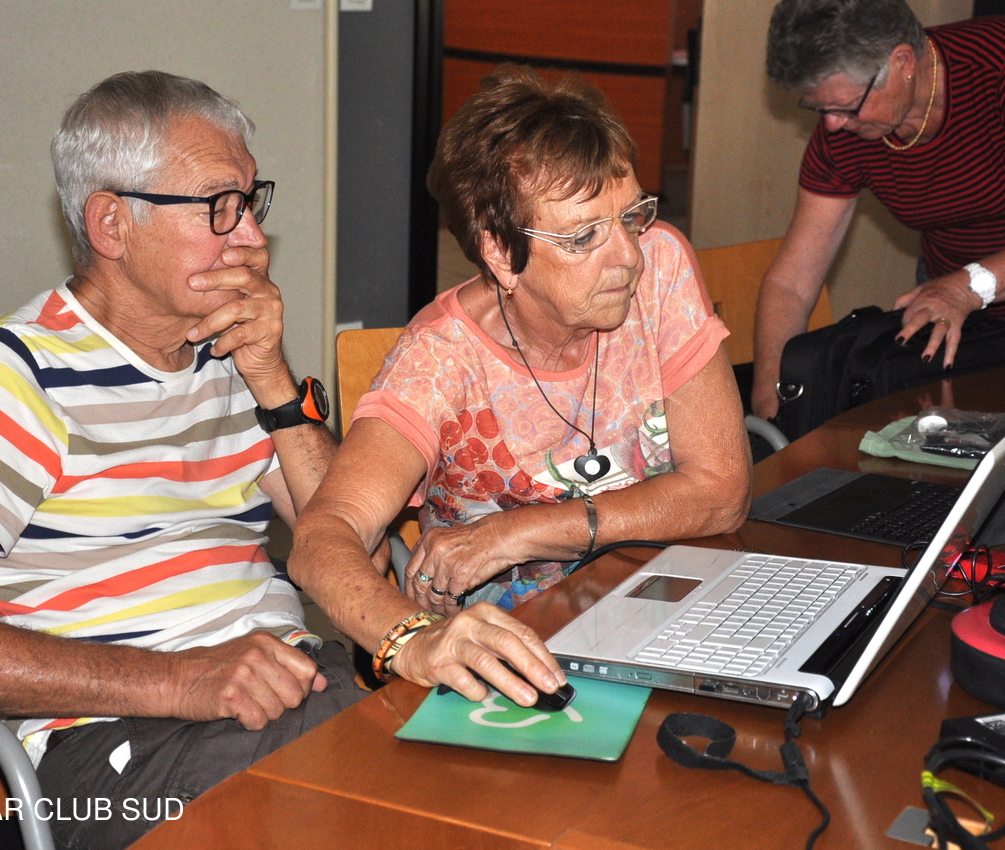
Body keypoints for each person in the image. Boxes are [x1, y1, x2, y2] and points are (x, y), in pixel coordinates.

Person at [0, 71, 365, 850]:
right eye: (218, 206)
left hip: (299, 690)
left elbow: (355, 555)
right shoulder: (14, 371)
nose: (252, 239)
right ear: (111, 223)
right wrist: (184, 679)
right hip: (122, 743)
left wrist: (273, 379)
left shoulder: (230, 352)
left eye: (249, 202)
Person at [289, 67, 751, 708]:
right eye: (583, 236)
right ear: (503, 255)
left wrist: (518, 532)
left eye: (631, 216)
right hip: (526, 663)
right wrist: (414, 641)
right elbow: (321, 539)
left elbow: (722, 493)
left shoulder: (661, 264)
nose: (628, 255)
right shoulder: (440, 362)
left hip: (669, 606)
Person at [752, 0, 1005, 420]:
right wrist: (771, 405)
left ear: (902, 62)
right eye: (819, 109)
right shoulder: (845, 132)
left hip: (969, 292)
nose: (831, 125)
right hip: (958, 310)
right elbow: (792, 283)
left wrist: (968, 287)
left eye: (847, 106)